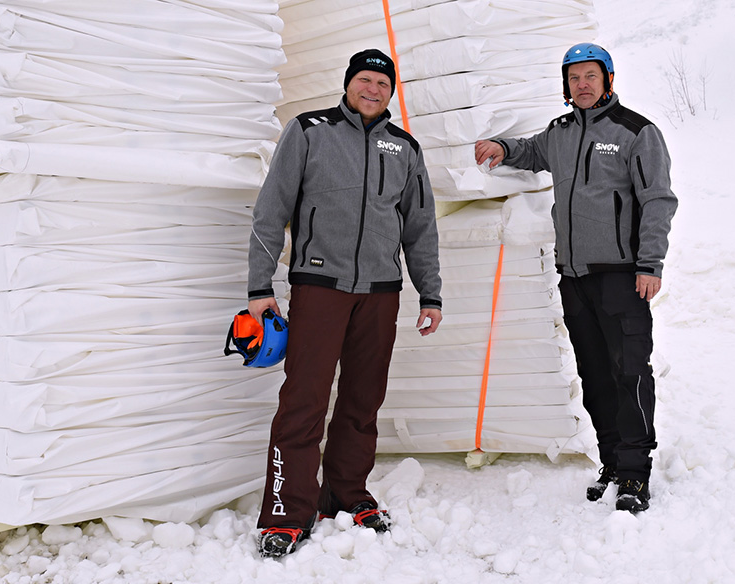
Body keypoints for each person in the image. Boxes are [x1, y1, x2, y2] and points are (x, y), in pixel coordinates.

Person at [247, 48, 443, 556]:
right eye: (364, 80)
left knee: (362, 401)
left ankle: (347, 493)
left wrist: (430, 292)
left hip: (380, 292)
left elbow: (420, 228)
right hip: (319, 287)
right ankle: (288, 511)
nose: (373, 89)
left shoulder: (405, 148)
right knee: (304, 401)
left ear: (391, 92)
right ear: (348, 82)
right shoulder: (309, 130)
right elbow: (271, 210)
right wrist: (260, 287)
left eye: (382, 83)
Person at [474, 43, 677, 514]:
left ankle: (634, 472)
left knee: (629, 373)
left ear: (607, 79)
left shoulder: (636, 132)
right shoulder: (560, 132)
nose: (582, 84)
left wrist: (650, 264)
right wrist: (503, 149)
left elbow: (658, 200)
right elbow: (533, 153)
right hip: (574, 275)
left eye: (590, 75)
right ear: (565, 85)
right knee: (594, 374)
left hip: (622, 276)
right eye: (574, 77)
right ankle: (611, 461)